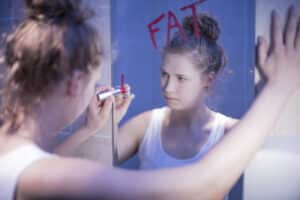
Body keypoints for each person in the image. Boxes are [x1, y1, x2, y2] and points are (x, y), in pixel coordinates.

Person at [0, 0, 299, 199]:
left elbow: (48, 164)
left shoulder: (13, 153)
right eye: (94, 82)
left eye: (181, 78)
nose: (168, 86)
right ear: (75, 84)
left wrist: (88, 128)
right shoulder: (35, 173)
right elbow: (202, 185)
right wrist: (279, 88)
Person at [55, 13, 239, 175]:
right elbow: (61, 166)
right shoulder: (147, 125)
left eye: (181, 78)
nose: (167, 88)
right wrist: (93, 126)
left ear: (208, 80)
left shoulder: (229, 132)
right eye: (164, 75)